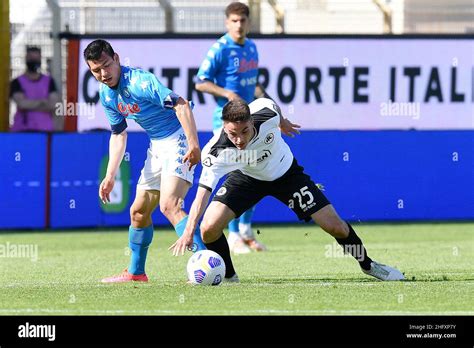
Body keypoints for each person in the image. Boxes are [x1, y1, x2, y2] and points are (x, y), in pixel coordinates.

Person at [170, 98, 405, 282]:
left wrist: (282, 122)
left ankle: (369, 266)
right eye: (233, 134)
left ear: (252, 122)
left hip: (286, 175)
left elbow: (274, 107)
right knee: (209, 229)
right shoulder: (216, 152)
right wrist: (189, 231)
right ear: (224, 127)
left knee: (336, 227)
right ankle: (230, 276)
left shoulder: (266, 112)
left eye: (244, 131)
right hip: (246, 178)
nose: (239, 140)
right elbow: (203, 191)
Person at [83, 39, 206, 283]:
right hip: (157, 146)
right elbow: (118, 134)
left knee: (169, 205)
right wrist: (110, 175)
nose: (103, 74)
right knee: (138, 212)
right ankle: (136, 272)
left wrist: (193, 144)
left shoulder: (140, 82)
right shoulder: (106, 95)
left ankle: (207, 262)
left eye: (106, 66)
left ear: (116, 59)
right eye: (95, 70)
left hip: (178, 137)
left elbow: (181, 105)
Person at [195, 2, 269, 254]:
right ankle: (233, 234)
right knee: (238, 176)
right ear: (227, 23)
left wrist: (266, 100)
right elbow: (201, 82)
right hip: (227, 124)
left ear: (248, 22)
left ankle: (246, 231)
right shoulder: (220, 48)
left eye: (243, 20)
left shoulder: (251, 47)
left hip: (250, 122)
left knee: (256, 172)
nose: (239, 25)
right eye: (234, 21)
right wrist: (226, 93)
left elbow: (253, 82)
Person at [10, 46, 60, 132]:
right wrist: (43, 102)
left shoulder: (49, 81)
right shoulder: (17, 82)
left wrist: (29, 104)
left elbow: (53, 105)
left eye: (36, 58)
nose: (34, 62)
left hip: (45, 131)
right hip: (22, 130)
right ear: (26, 59)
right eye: (31, 58)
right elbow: (21, 104)